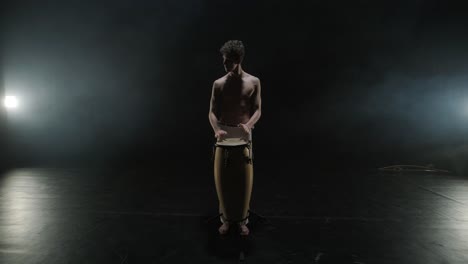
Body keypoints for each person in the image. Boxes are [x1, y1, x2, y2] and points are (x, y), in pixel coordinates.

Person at [208, 40, 262, 236]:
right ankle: (225, 219)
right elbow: (212, 112)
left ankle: (241, 220)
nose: (225, 65)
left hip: (244, 132)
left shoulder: (253, 82)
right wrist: (216, 129)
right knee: (224, 179)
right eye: (224, 62)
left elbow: (257, 109)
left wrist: (249, 125)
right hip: (223, 132)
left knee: (241, 180)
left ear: (238, 60)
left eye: (228, 62)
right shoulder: (219, 83)